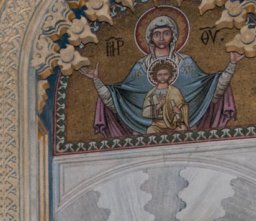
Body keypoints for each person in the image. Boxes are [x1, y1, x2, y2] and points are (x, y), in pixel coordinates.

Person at [82, 10, 242, 138]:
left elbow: (211, 90)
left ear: (173, 36)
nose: (161, 38)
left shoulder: (186, 63)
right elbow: (118, 100)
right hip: (152, 128)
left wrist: (232, 65)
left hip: (184, 126)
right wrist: (96, 80)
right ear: (149, 37)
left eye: (166, 33)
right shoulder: (140, 67)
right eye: (157, 34)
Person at [142, 58, 189, 133]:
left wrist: (178, 112)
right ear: (155, 76)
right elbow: (145, 112)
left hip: (173, 125)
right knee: (150, 131)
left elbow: (182, 108)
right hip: (157, 125)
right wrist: (159, 105)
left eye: (165, 74)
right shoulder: (152, 93)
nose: (162, 77)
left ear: (170, 75)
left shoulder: (175, 91)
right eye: (159, 75)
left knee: (182, 129)